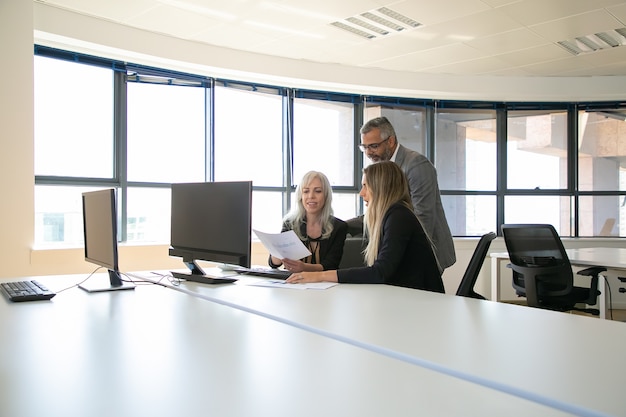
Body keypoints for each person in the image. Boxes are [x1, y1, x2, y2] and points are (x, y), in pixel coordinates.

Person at [286, 161, 444, 293]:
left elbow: (380, 272)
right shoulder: (392, 215)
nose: (361, 193)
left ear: (380, 187)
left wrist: (319, 276)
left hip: (423, 303)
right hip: (405, 298)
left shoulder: (398, 217)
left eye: (365, 186)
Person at [348, 116, 456, 271]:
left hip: (424, 252)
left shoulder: (416, 165)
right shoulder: (382, 169)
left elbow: (423, 216)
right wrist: (342, 225)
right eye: (364, 147)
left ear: (390, 141)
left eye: (373, 146)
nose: (368, 153)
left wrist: (397, 255)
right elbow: (379, 211)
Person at [269, 171, 348, 272]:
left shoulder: (339, 227)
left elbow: (331, 265)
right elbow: (273, 264)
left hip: (326, 284)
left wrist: (304, 268)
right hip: (294, 284)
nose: (311, 196)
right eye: (306, 191)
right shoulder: (290, 223)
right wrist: (277, 255)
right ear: (300, 196)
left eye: (318, 191)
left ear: (326, 195)